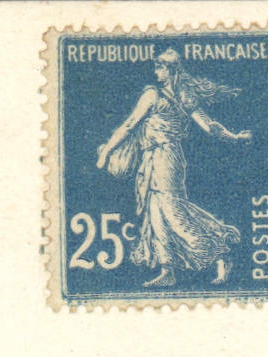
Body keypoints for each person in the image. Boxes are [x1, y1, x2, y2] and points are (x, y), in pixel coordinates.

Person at [94, 50, 252, 288]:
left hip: (165, 158)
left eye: (160, 67)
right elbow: (209, 126)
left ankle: (218, 254)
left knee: (172, 212)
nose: (156, 72)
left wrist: (106, 151)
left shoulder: (155, 95)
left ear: (171, 70)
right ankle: (167, 270)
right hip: (155, 157)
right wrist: (234, 136)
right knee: (155, 213)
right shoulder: (180, 95)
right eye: (156, 67)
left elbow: (129, 125)